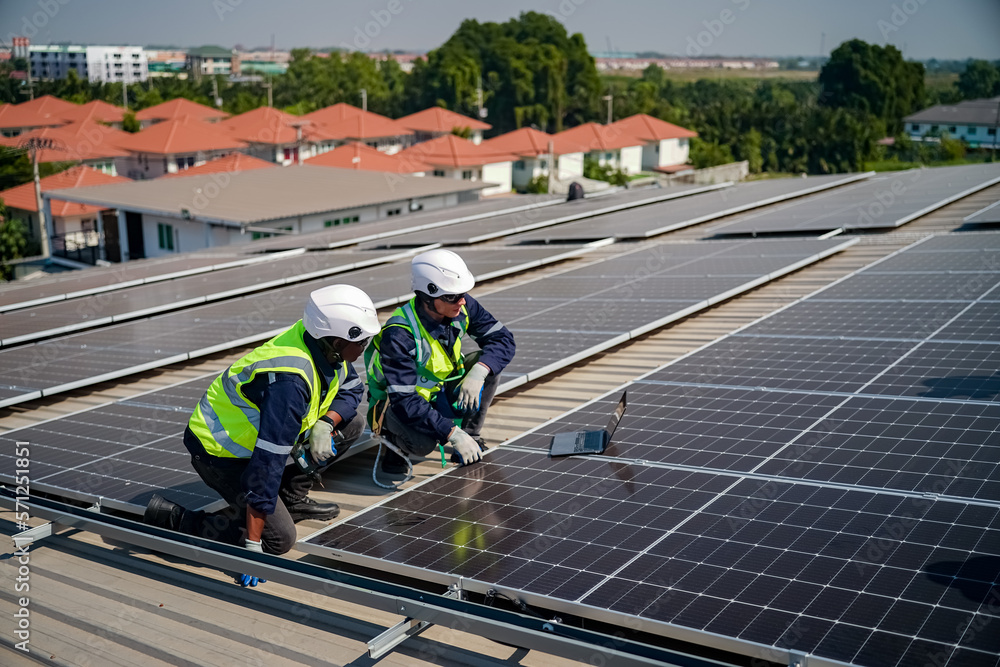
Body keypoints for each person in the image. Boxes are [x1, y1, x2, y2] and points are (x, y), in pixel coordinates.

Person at [143, 284, 381, 562]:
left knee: (351, 424)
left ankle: (292, 499)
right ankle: (174, 518)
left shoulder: (325, 346)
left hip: (259, 443)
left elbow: (352, 390)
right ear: (337, 340)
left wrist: (326, 423)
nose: (365, 347)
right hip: (220, 454)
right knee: (279, 539)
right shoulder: (289, 384)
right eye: (362, 341)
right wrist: (253, 546)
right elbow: (267, 464)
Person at [365, 249, 515, 476]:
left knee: (489, 365)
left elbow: (503, 339)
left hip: (438, 392)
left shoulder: (462, 305)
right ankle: (394, 443)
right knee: (423, 445)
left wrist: (480, 371)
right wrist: (451, 433)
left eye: (463, 293)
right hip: (397, 405)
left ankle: (471, 436)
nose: (462, 300)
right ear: (428, 295)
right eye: (453, 296)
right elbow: (405, 400)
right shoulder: (399, 334)